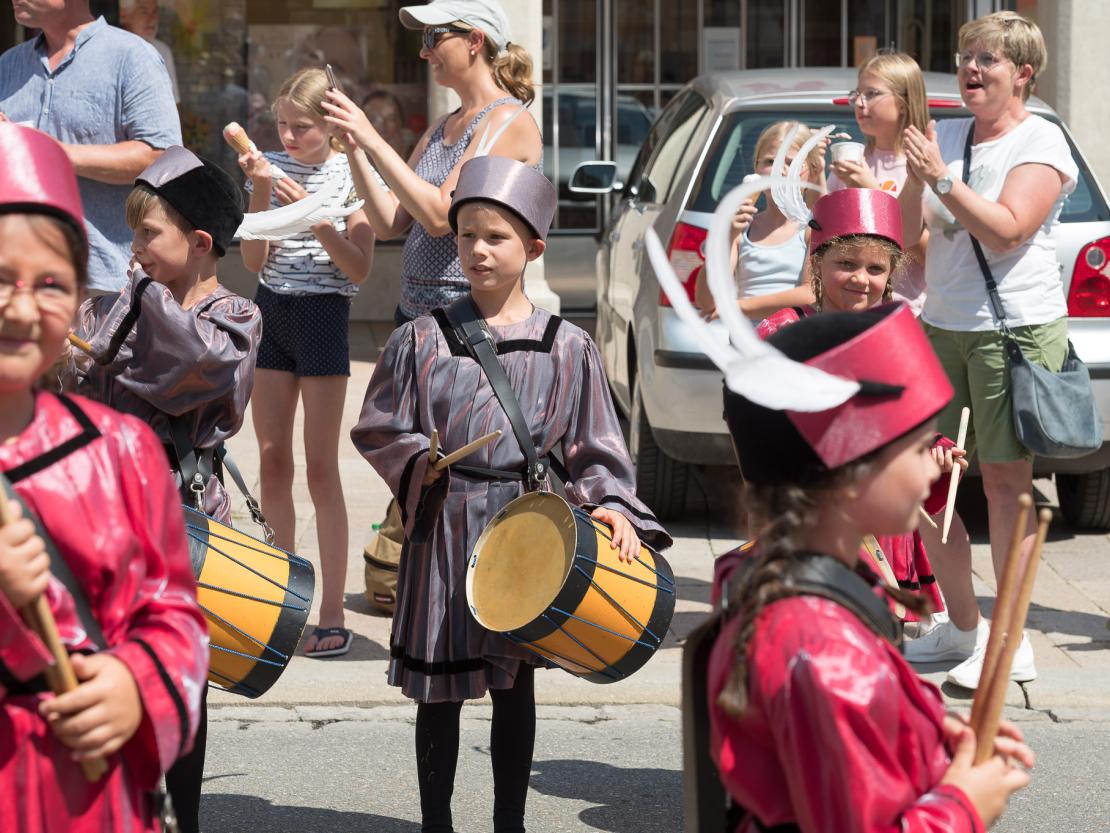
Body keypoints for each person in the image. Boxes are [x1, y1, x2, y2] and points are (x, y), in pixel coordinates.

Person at [351, 155, 672, 833]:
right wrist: (417, 462)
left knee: (513, 683)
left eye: (494, 237)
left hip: (525, 532)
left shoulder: (568, 346)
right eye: (466, 235)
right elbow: (379, 423)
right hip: (443, 527)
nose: (476, 250)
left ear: (531, 248)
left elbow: (596, 445)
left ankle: (509, 823)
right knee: (438, 690)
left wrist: (611, 504)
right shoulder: (422, 337)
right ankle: (435, 821)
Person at [0, 123, 207, 832]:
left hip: (96, 797)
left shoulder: (121, 450)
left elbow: (173, 613)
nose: (22, 308)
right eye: (0, 278)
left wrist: (134, 684)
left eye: (51, 284)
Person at [72, 145, 260, 833]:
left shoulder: (235, 315)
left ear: (200, 241)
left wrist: (139, 302)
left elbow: (197, 368)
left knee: (181, 675)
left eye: (147, 233)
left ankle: (185, 814)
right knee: (108, 664)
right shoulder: (132, 301)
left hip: (184, 520)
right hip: (105, 511)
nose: (135, 248)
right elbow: (83, 383)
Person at [897, 11, 1077, 687]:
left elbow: (1006, 229)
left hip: (1013, 329)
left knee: (1005, 484)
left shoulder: (1043, 141)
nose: (971, 69)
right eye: (966, 57)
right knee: (930, 482)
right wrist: (916, 176)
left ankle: (1012, 639)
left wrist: (941, 176)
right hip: (941, 325)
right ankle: (965, 627)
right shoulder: (947, 134)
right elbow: (912, 229)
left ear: (1023, 73)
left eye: (988, 61)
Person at [755, 188, 966, 621]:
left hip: (881, 521)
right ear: (816, 263)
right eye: (846, 264)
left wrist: (937, 450)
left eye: (875, 268)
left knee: (873, 639)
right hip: (812, 514)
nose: (860, 279)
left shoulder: (896, 335)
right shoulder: (781, 332)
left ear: (890, 275)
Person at [238, 66, 376, 658]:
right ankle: (280, 599)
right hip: (272, 308)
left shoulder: (350, 173)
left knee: (321, 467)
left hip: (323, 313)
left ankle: (332, 609)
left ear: (331, 126)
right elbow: (251, 260)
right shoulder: (270, 163)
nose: (289, 137)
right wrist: (264, 188)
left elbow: (360, 268)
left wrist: (316, 217)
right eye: (281, 125)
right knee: (272, 460)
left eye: (302, 128)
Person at [321, 0, 543, 326]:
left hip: (468, 320)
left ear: (474, 41)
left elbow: (441, 215)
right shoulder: (442, 125)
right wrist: (355, 146)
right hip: (415, 316)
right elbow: (387, 222)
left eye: (433, 38)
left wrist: (370, 136)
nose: (424, 53)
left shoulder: (506, 119)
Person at [0, 0, 181, 295]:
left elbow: (161, 155)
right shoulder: (8, 64)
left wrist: (51, 153)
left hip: (106, 285)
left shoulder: (132, 56)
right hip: (18, 279)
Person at [827, 50, 930, 314]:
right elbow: (820, 240)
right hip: (847, 312)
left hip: (908, 313)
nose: (860, 103)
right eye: (857, 94)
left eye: (871, 94)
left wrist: (870, 192)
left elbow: (934, 256)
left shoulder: (925, 163)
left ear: (904, 103)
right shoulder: (852, 159)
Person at [694, 121, 823, 322]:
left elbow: (810, 294)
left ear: (813, 173)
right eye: (770, 162)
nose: (779, 170)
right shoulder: (742, 230)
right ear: (756, 169)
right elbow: (707, 301)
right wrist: (725, 238)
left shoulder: (812, 229)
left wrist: (735, 307)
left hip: (794, 346)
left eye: (792, 163)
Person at [119, 0, 181, 104]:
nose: (152, 19)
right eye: (144, 12)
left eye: (155, 12)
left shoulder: (163, 51)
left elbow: (174, 103)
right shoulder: (113, 51)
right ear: (124, 15)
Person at [362, 89, 412, 158]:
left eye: (390, 119)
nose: (383, 127)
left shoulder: (416, 156)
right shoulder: (351, 158)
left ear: (401, 123)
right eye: (374, 120)